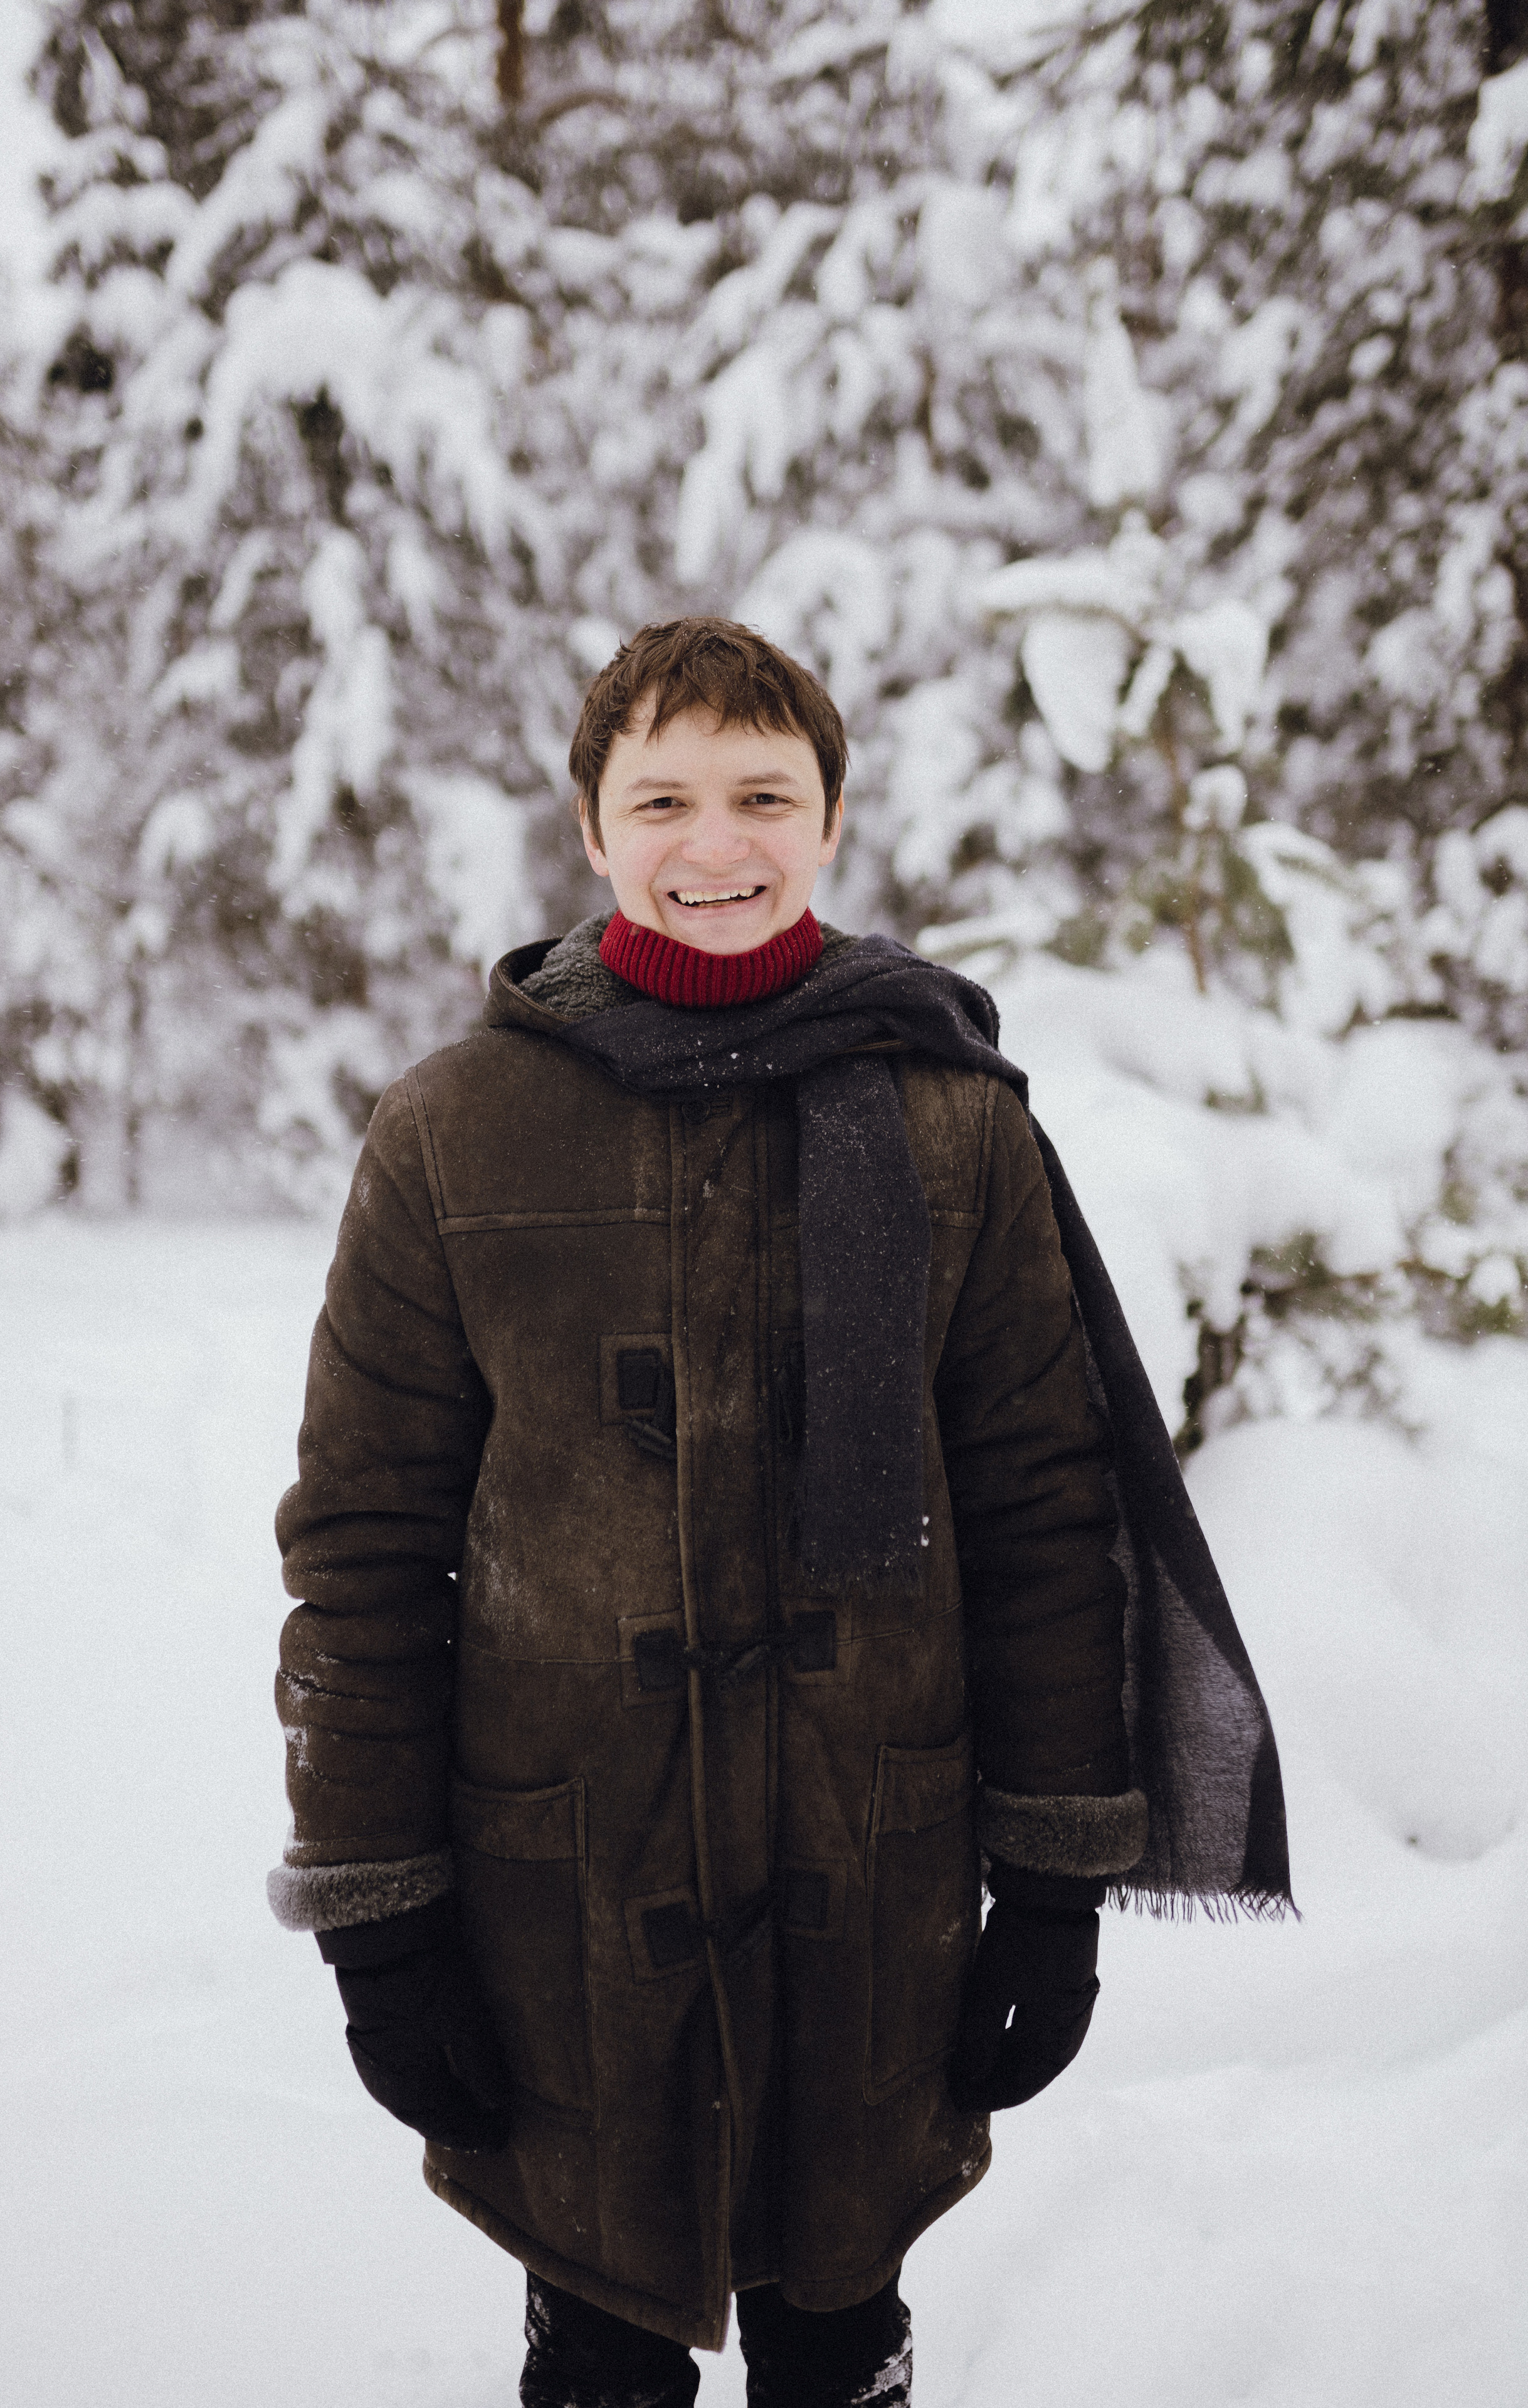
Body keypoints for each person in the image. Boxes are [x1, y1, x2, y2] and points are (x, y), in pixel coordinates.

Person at [268, 618, 1288, 2408]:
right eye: (661, 796)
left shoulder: (945, 1117)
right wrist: (380, 1918)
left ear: (830, 817)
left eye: (763, 793)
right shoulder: (452, 1133)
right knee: (599, 2339)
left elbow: (1042, 1515)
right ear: (592, 830)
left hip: (869, 1873)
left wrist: (1053, 1888)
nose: (714, 843)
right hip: (565, 1885)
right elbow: (364, 1546)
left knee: (840, 2331)